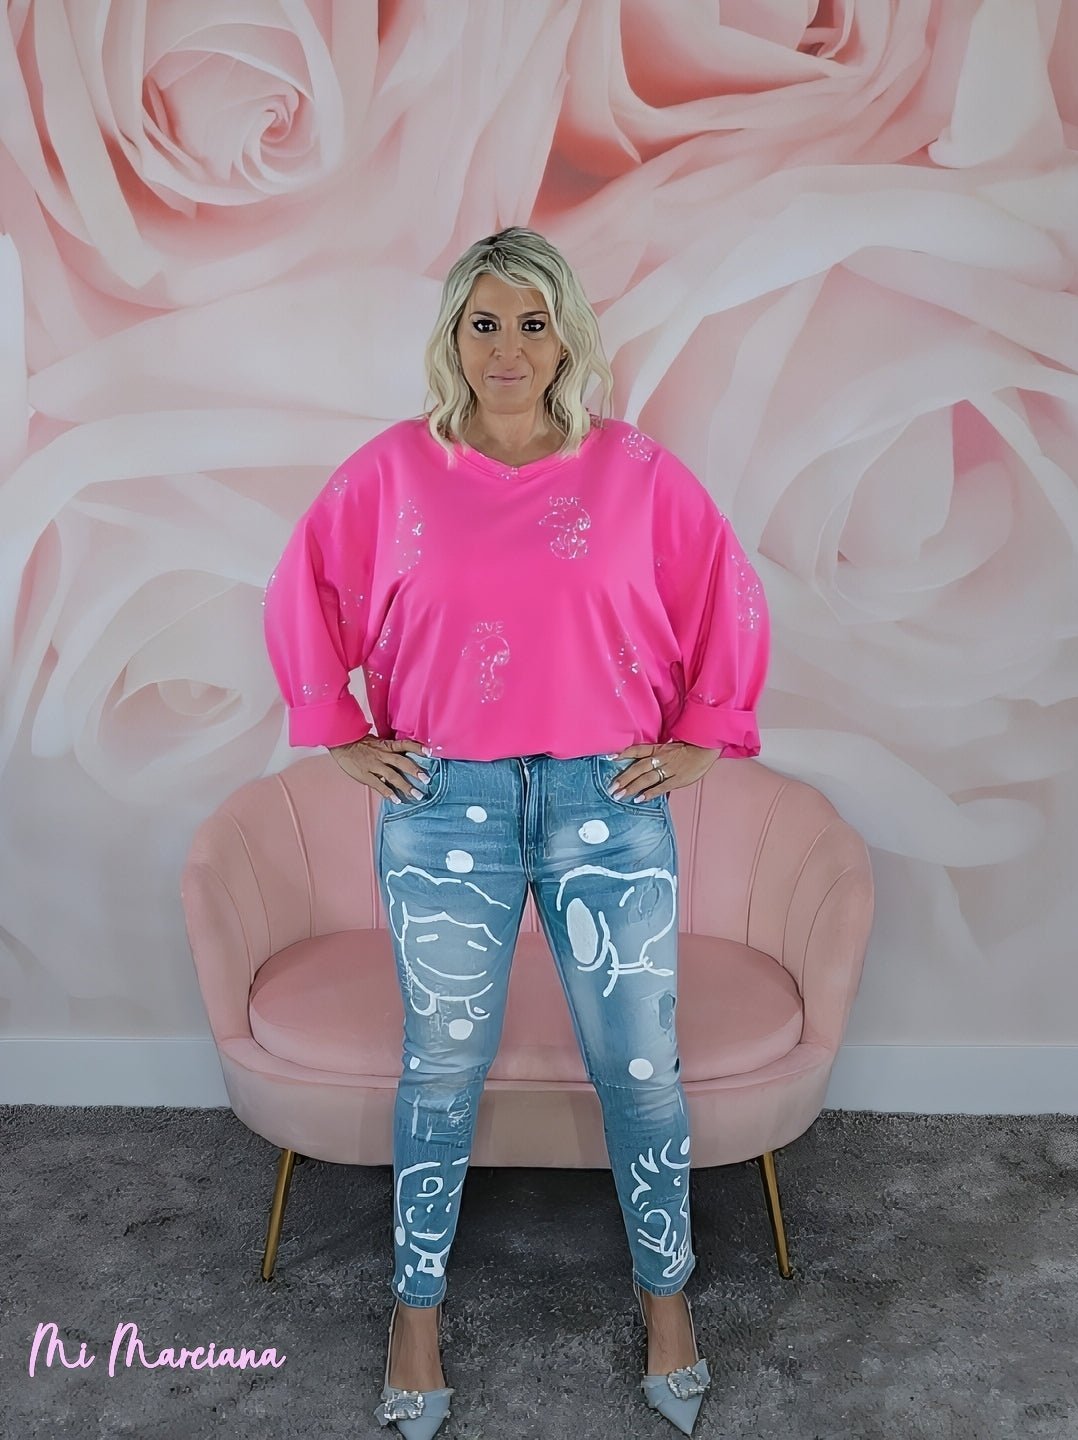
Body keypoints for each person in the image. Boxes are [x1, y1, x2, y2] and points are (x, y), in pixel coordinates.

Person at [263, 227, 770, 1439]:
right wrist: (336, 726)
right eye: (484, 323)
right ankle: (416, 1317)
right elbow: (305, 587)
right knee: (442, 1069)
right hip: (447, 805)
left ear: (566, 335)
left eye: (532, 324)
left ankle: (668, 1306)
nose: (508, 349)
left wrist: (707, 730)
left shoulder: (634, 472)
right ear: (454, 336)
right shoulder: (394, 473)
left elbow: (725, 588)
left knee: (639, 1071)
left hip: (609, 801)